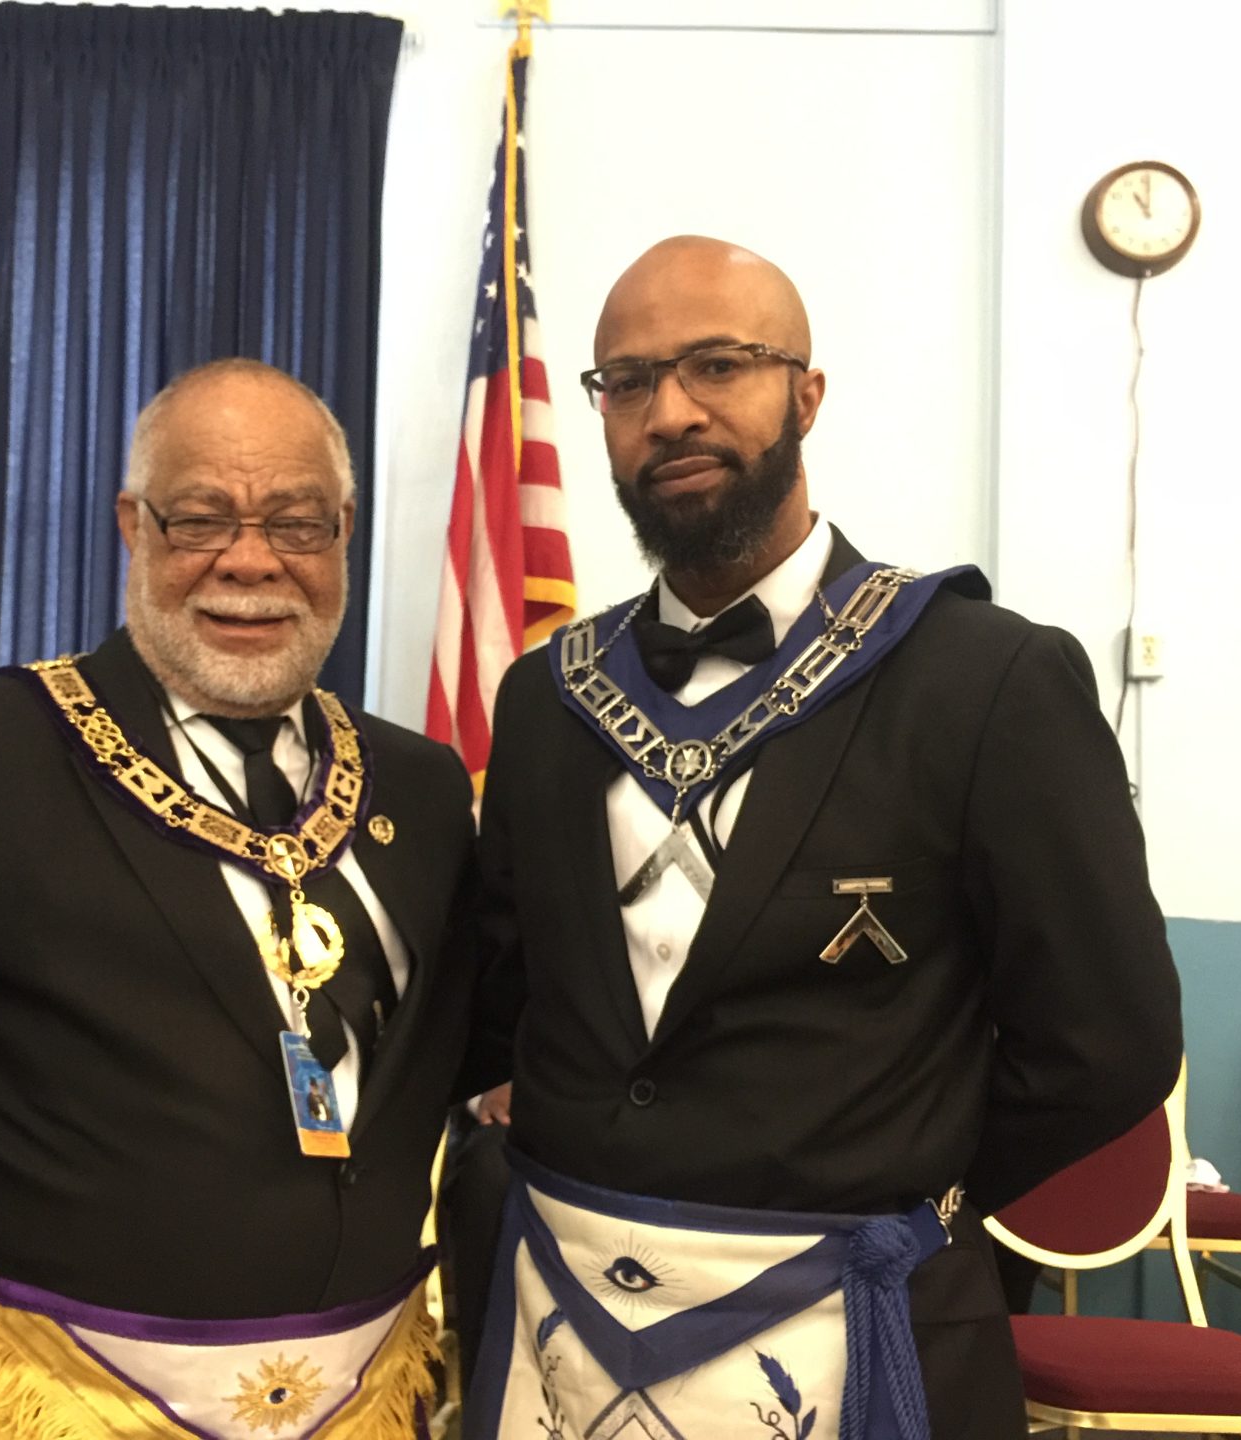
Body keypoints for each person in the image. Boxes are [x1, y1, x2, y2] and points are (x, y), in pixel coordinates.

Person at [459, 238, 1182, 1438]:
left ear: (807, 394)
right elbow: (505, 995)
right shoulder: (547, 697)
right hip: (564, 1324)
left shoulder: (986, 679)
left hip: (854, 1315)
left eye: (718, 365)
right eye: (628, 382)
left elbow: (1110, 1040)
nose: (670, 412)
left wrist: (911, 1181)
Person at [0, 359, 480, 1440]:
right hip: (46, 1408)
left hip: (357, 1409)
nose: (251, 561)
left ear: (343, 534)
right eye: (201, 519)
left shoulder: (423, 787)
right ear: (133, 525)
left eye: (295, 522)